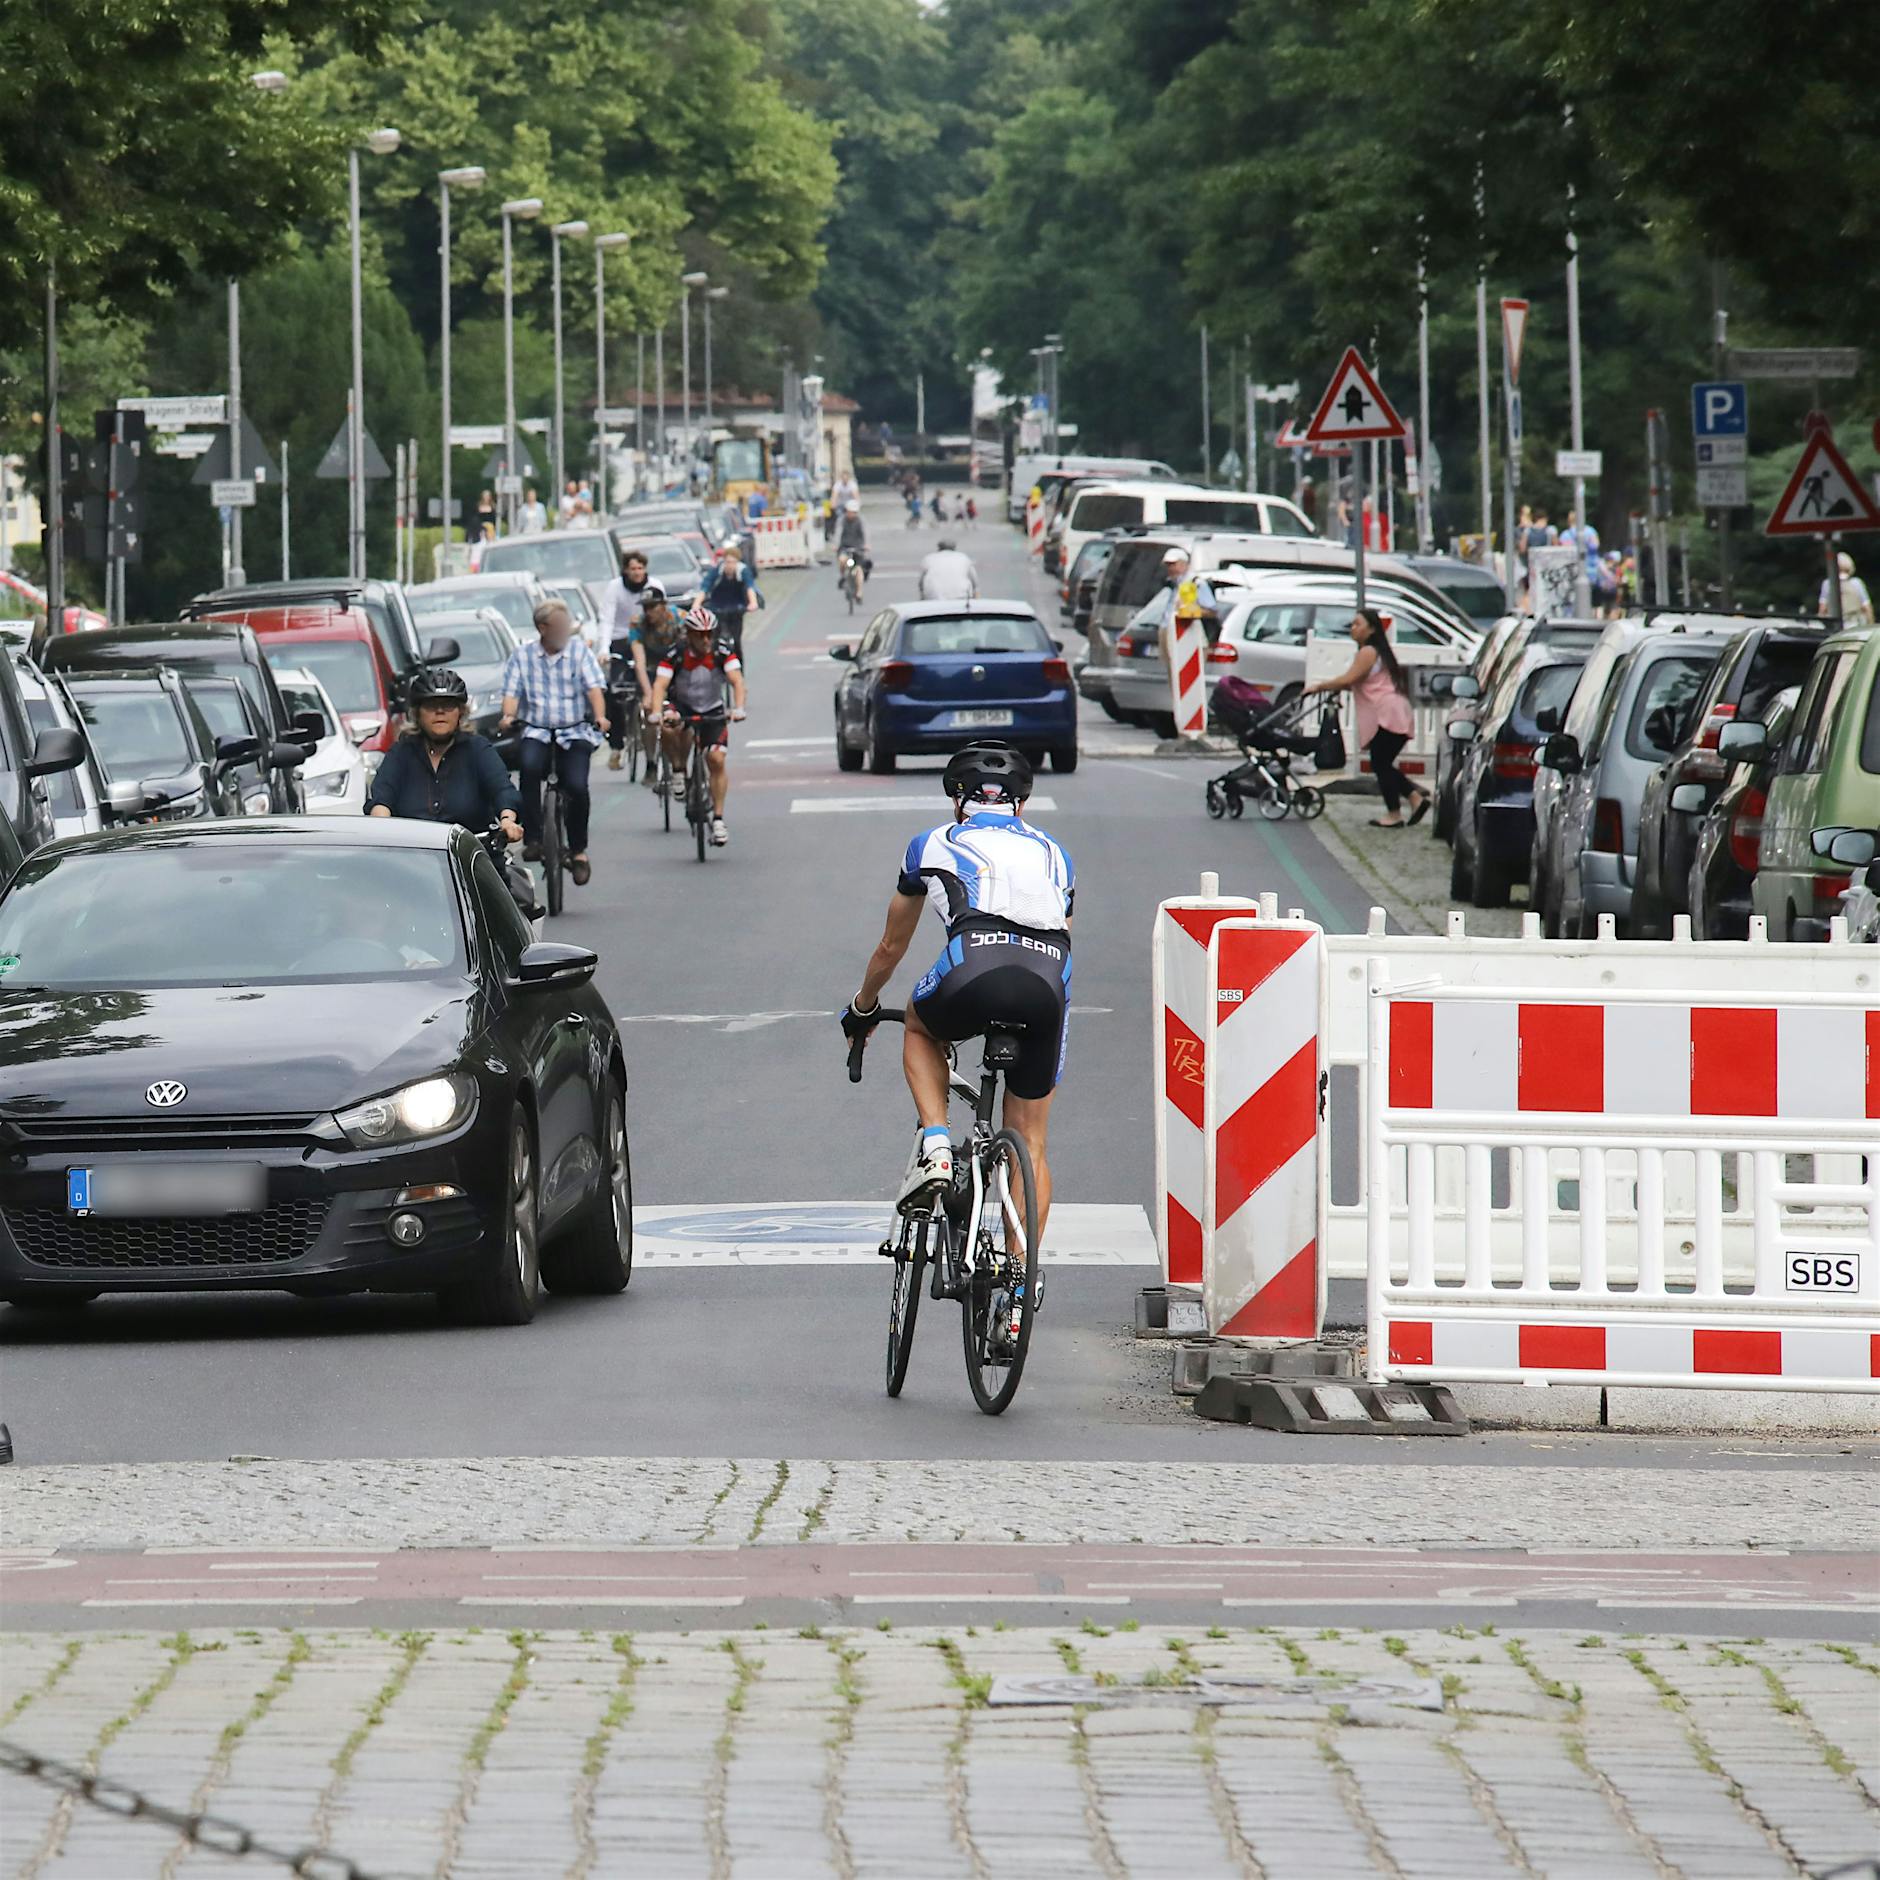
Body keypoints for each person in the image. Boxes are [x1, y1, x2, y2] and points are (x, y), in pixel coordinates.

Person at [840, 743, 1072, 1240]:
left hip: (974, 964)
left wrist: (863, 1006)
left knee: (920, 1024)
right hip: (1048, 979)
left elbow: (890, 945)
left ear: (957, 800)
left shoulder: (930, 843)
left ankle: (939, 1145)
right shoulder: (1056, 854)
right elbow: (1063, 931)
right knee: (1031, 1142)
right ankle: (1018, 1283)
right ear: (1020, 805)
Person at [499, 598, 609, 885]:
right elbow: (511, 692)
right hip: (536, 730)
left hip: (574, 731)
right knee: (529, 767)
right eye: (559, 625)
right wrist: (509, 716)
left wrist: (600, 716)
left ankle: (578, 850)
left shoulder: (579, 653)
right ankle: (534, 837)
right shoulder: (522, 656)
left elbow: (594, 688)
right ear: (543, 628)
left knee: (576, 785)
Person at [1303, 607, 1426, 829]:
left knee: (1380, 763)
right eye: (1352, 624)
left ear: (1371, 629)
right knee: (1382, 763)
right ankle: (1412, 799)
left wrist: (1319, 686)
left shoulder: (1368, 652)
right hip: (1396, 710)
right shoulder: (1379, 652)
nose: (1353, 628)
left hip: (1388, 713)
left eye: (1357, 624)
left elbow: (1348, 679)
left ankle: (1396, 812)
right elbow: (1363, 684)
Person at [367, 668, 521, 841]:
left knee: (513, 870)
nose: (440, 711)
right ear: (417, 712)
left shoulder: (478, 749)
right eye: (431, 705)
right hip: (413, 856)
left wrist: (507, 821)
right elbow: (382, 797)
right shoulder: (401, 752)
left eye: (448, 705)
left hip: (472, 856)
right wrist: (380, 827)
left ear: (461, 712)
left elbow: (502, 789)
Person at [649, 600, 747, 847]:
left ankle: (718, 819)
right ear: (689, 635)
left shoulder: (721, 652)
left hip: (712, 709)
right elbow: (660, 685)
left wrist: (739, 708)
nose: (705, 640)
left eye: (709, 635)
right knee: (669, 727)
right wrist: (656, 711)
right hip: (682, 706)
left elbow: (737, 681)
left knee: (716, 759)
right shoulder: (676, 653)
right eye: (699, 635)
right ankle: (679, 771)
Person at [627, 587, 680, 783]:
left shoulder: (679, 619)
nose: (649, 613)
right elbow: (639, 662)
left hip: (675, 667)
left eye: (653, 607)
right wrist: (648, 694)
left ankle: (678, 763)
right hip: (650, 669)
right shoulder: (637, 624)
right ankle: (650, 763)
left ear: (663, 606)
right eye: (646, 608)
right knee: (649, 713)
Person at [701, 543, 764, 658]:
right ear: (724, 561)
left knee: (736, 642)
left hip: (736, 609)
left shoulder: (743, 571)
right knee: (715, 641)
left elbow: (750, 587)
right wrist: (696, 606)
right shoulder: (717, 571)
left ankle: (739, 668)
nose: (730, 566)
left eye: (734, 562)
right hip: (718, 608)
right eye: (728, 562)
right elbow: (704, 588)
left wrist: (753, 603)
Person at [1819, 551, 1876, 627]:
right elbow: (1867, 608)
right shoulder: (1857, 583)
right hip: (1854, 626)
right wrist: (1871, 624)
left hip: (1834, 626)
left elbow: (1822, 610)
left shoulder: (1827, 584)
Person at [836, 500, 871, 590]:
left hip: (858, 548)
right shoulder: (842, 520)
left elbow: (865, 532)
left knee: (859, 569)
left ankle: (859, 592)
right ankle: (843, 576)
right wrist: (836, 545)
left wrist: (866, 545)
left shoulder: (861, 521)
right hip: (845, 547)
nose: (851, 514)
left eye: (853, 512)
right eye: (849, 512)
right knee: (842, 560)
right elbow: (838, 532)